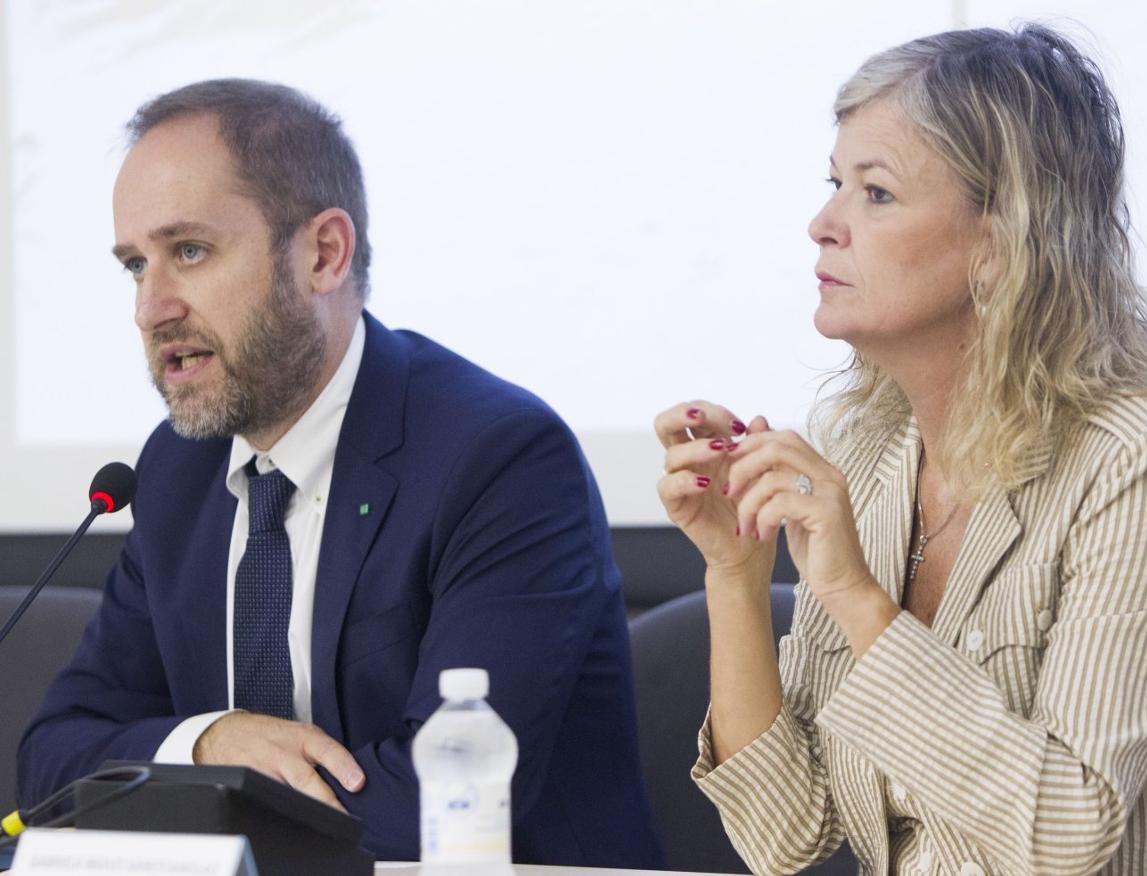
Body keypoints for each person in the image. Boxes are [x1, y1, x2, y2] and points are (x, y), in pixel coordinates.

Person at [18, 78, 664, 868]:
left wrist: (185, 792)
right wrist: (209, 742)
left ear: (324, 254)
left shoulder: (498, 459)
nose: (150, 309)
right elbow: (53, 761)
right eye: (133, 265)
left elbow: (443, 807)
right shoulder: (179, 469)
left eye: (189, 251)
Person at [656, 24, 1147, 876]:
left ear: (1003, 243)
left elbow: (1060, 836)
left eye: (876, 194)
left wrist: (858, 598)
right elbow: (784, 834)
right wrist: (735, 575)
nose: (822, 224)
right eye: (833, 185)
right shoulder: (867, 458)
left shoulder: (1139, 468)